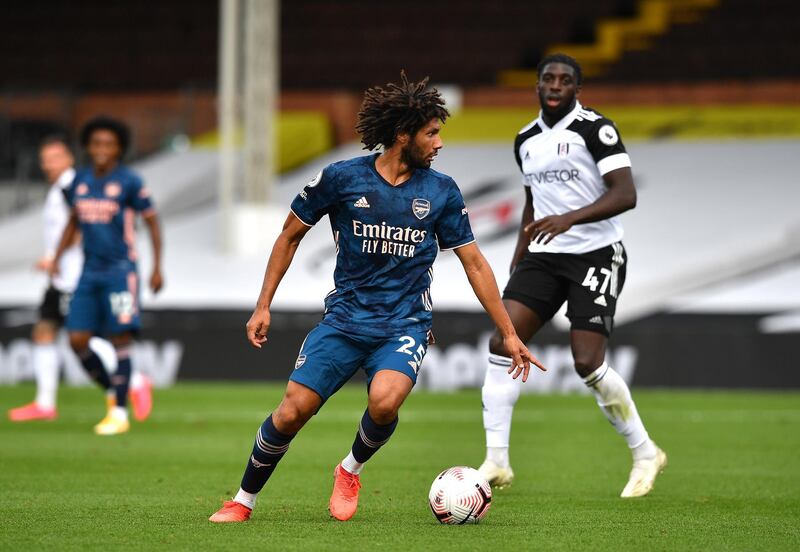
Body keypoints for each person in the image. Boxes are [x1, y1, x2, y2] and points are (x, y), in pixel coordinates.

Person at [208, 73, 544, 523]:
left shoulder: (441, 191)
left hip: (403, 324)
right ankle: (242, 501)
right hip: (345, 320)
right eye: (432, 133)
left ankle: (350, 469)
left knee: (385, 401)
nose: (439, 143)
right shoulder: (342, 178)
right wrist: (263, 304)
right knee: (292, 412)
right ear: (402, 135)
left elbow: (476, 264)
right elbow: (289, 236)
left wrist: (508, 333)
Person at [477, 53, 666, 498]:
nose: (556, 84)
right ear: (538, 86)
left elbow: (626, 193)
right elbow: (532, 199)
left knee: (586, 362)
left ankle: (645, 452)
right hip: (544, 256)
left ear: (577, 89)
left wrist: (571, 218)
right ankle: (497, 461)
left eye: (565, 79)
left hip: (595, 252)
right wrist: (521, 251)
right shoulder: (525, 138)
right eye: (548, 78)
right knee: (503, 341)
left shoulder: (594, 128)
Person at [7, 137, 150, 422]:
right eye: (45, 159)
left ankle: (134, 381)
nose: (48, 164)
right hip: (60, 277)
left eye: (54, 157)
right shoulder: (59, 189)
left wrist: (54, 257)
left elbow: (85, 226)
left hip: (76, 276)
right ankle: (45, 403)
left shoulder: (75, 187)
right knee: (45, 331)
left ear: (69, 158)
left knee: (83, 337)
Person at [51, 116, 163, 435]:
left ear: (119, 149)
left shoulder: (129, 181)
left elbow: (152, 222)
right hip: (89, 272)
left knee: (120, 339)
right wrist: (57, 256)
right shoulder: (79, 181)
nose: (102, 149)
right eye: (96, 143)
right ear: (87, 146)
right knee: (76, 340)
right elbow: (74, 221)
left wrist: (156, 267)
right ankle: (124, 390)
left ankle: (119, 412)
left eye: (109, 144)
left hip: (120, 272)